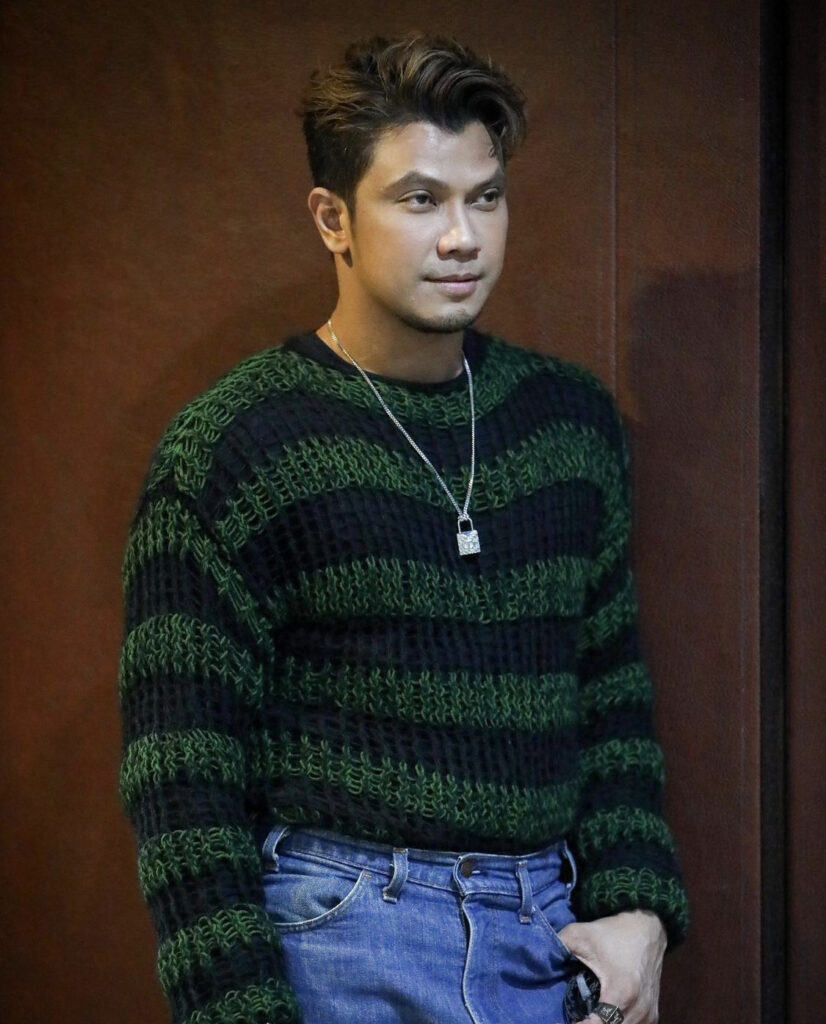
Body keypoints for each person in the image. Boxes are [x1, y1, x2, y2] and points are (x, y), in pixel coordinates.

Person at [119, 33, 688, 1024]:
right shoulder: (236, 447)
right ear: (332, 218)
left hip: (547, 940)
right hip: (340, 935)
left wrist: (635, 904)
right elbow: (182, 776)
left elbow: (609, 693)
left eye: (485, 197)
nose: (463, 236)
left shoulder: (567, 425)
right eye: (420, 199)